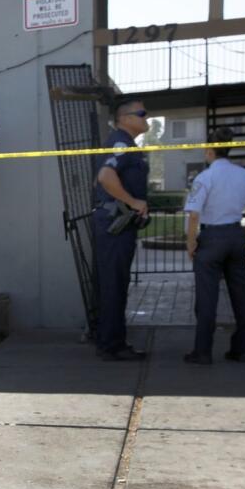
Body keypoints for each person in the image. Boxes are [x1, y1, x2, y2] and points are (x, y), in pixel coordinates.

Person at [182, 127, 245, 365]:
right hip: (235, 235)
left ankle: (203, 351)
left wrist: (191, 243)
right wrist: (244, 233)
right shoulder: (244, 175)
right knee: (241, 295)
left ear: (210, 150)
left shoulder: (204, 177)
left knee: (207, 297)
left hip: (212, 238)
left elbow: (194, 214)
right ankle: (241, 350)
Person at [91, 97, 150, 361]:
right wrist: (134, 201)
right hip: (115, 225)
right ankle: (112, 345)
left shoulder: (127, 145)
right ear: (125, 118)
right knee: (114, 285)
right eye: (142, 114)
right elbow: (105, 176)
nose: (146, 119)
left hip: (119, 225)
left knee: (114, 284)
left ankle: (109, 340)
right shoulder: (120, 143)